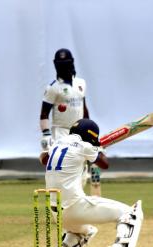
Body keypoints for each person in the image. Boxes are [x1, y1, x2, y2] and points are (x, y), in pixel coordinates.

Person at [39, 118, 143, 247]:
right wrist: (99, 149)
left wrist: (93, 148)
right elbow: (104, 164)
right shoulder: (84, 146)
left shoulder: (58, 142)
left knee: (86, 231)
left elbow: (43, 159)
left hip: (55, 213)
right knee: (131, 212)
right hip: (75, 206)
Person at [39, 48, 102, 196]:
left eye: (66, 63)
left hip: (80, 133)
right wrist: (46, 135)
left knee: (81, 172)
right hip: (61, 132)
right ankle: (61, 205)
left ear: (72, 63)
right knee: (63, 171)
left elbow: (84, 108)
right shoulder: (53, 88)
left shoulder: (81, 83)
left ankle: (76, 205)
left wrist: (92, 133)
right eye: (61, 64)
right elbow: (43, 114)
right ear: (56, 65)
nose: (64, 67)